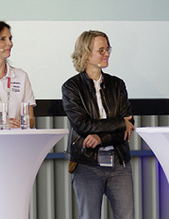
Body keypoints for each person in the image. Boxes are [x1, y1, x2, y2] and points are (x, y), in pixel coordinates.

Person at [62, 30, 135, 219]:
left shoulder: (117, 84)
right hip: (87, 164)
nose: (107, 54)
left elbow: (129, 126)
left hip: (119, 162)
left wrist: (101, 137)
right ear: (85, 53)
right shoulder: (71, 87)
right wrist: (119, 123)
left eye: (108, 49)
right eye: (101, 50)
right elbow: (82, 126)